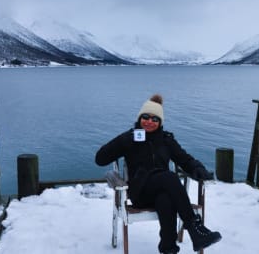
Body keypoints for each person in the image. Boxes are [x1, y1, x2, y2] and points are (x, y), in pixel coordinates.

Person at [95, 94, 222, 254]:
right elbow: (100, 159)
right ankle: (194, 228)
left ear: (160, 122)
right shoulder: (129, 139)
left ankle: (168, 249)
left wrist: (198, 169)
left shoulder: (166, 140)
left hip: (162, 191)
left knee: (166, 200)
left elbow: (185, 160)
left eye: (155, 119)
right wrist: (124, 140)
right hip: (140, 193)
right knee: (169, 177)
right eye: (145, 117)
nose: (149, 122)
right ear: (140, 118)